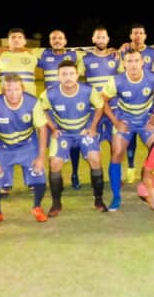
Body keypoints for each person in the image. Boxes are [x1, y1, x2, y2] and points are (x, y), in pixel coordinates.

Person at [39, 61, 108, 216]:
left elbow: (100, 106)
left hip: (83, 132)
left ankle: (98, 200)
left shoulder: (88, 90)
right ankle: (56, 203)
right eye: (64, 74)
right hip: (63, 133)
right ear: (58, 76)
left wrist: (93, 127)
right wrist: (53, 128)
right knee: (55, 163)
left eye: (71, 74)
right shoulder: (50, 93)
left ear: (77, 75)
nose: (68, 77)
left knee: (95, 159)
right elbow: (41, 109)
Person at [0, 74, 49, 228]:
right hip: (3, 145)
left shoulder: (32, 102)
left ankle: (37, 207)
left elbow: (42, 130)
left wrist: (40, 157)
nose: (13, 94)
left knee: (39, 173)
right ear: (2, 90)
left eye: (17, 89)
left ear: (22, 89)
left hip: (28, 144)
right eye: (9, 90)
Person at [101, 49, 154, 211]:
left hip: (146, 121)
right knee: (116, 154)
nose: (133, 65)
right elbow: (102, 101)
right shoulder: (116, 80)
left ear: (142, 62)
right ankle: (116, 197)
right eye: (129, 61)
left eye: (137, 61)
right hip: (125, 121)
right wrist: (115, 121)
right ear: (124, 64)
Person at [37, 29, 85, 189]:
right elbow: (21, 52)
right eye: (53, 38)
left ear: (65, 41)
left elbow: (97, 54)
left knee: (73, 141)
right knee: (50, 143)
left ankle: (75, 173)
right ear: (50, 41)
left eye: (60, 38)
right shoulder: (43, 55)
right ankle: (53, 175)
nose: (57, 40)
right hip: (50, 108)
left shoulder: (74, 55)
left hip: (70, 106)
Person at [119, 23, 154, 183]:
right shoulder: (123, 51)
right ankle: (130, 167)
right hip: (128, 102)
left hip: (147, 104)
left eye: (141, 33)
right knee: (130, 138)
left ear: (145, 36)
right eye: (135, 33)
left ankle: (148, 170)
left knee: (152, 142)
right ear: (130, 36)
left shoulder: (153, 52)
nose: (138, 36)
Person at [0, 28, 40, 96]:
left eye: (20, 37)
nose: (16, 40)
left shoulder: (34, 55)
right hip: (6, 98)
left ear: (25, 41)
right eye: (13, 37)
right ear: (8, 41)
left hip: (29, 98)